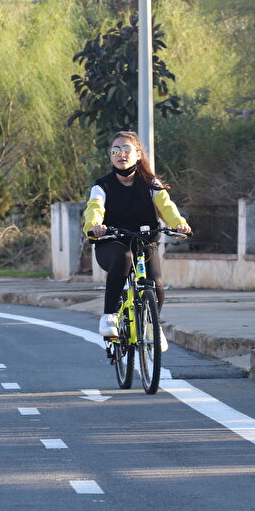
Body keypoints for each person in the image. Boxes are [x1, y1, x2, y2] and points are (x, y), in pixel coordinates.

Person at [83, 131, 191, 351]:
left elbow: (167, 208)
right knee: (124, 258)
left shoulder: (151, 184)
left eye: (126, 150)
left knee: (156, 283)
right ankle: (109, 316)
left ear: (138, 155)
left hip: (144, 241)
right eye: (115, 151)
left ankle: (153, 325)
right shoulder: (102, 186)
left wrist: (180, 225)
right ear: (110, 156)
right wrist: (95, 227)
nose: (121, 155)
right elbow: (94, 209)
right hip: (111, 242)